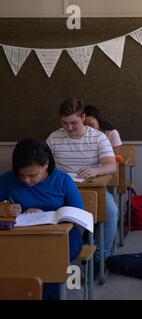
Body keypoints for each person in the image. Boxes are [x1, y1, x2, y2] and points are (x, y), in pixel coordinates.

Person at [0, 138, 83, 300]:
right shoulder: (7, 179)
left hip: (61, 234)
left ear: (45, 164)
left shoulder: (62, 180)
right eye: (21, 175)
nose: (26, 180)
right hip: (20, 234)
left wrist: (49, 215)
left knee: (47, 262)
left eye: (32, 175)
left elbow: (77, 212)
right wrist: (4, 208)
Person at [46, 97, 118, 275]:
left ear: (83, 117)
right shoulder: (54, 138)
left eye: (74, 123)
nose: (69, 128)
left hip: (92, 188)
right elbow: (44, 167)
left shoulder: (98, 137)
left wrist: (95, 170)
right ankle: (53, 258)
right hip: (62, 191)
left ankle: (101, 258)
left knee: (111, 210)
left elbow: (112, 165)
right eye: (65, 123)